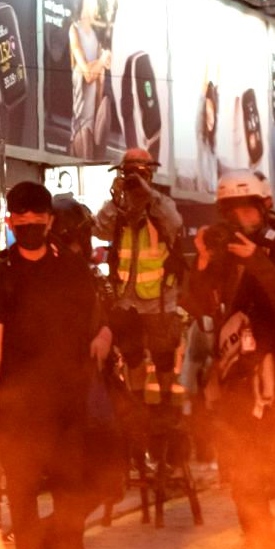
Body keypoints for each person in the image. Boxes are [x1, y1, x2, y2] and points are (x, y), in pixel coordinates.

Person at [0, 181, 111, 549]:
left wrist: (105, 334)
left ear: (50, 220)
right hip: (19, 402)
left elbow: (94, 323)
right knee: (22, 488)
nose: (30, 224)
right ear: (10, 221)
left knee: (70, 484)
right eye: (22, 217)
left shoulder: (72, 269)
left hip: (69, 397)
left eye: (39, 217)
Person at [183, 170, 275, 549]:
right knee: (245, 481)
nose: (243, 219)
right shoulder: (225, 249)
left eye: (249, 209)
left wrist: (258, 261)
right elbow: (197, 306)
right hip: (238, 385)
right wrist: (201, 264)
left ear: (266, 205)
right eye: (233, 212)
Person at [95, 148, 184, 404]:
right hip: (127, 301)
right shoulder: (119, 208)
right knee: (132, 356)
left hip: (159, 301)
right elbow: (100, 230)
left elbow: (174, 223)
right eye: (129, 172)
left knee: (164, 359)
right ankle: (136, 405)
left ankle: (165, 406)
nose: (135, 178)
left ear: (151, 174)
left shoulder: (162, 204)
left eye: (140, 172)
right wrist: (116, 199)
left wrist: (148, 196)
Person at [68, 0, 112, 161]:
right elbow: (87, 74)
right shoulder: (74, 29)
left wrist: (102, 67)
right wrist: (101, 61)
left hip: (94, 127)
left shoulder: (95, 37)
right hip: (80, 127)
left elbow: (98, 86)